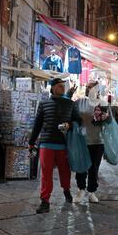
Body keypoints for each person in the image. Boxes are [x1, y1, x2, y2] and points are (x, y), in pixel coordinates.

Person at [29, 78, 81, 214]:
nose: (62, 88)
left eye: (63, 86)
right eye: (59, 86)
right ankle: (45, 201)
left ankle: (66, 190)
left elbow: (78, 120)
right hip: (46, 143)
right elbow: (37, 124)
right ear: (52, 88)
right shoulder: (44, 104)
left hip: (63, 144)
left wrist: (69, 125)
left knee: (65, 171)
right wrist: (31, 141)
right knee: (46, 174)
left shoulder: (70, 104)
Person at [73, 81, 111, 204]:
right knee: (81, 167)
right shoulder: (79, 102)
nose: (88, 89)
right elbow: (72, 116)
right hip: (82, 140)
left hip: (97, 141)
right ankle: (80, 190)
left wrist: (106, 118)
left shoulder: (103, 103)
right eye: (87, 87)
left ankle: (92, 191)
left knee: (94, 168)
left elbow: (111, 121)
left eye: (91, 87)